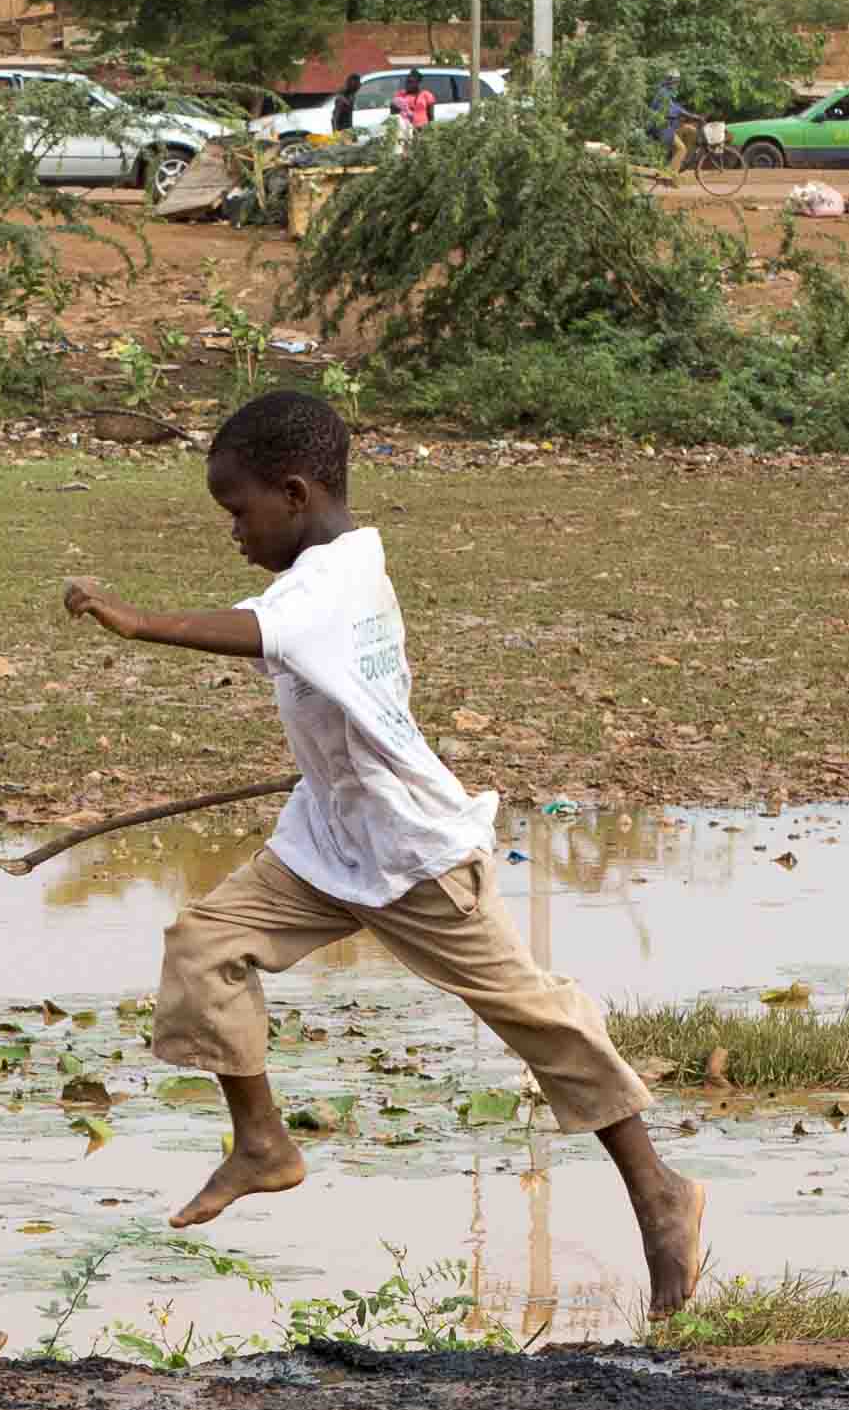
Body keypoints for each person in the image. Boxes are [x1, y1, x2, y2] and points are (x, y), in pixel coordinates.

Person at [61, 387, 706, 1318]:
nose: (232, 530)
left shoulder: (330, 583)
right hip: (327, 842)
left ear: (292, 493)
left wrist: (135, 620)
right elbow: (278, 623)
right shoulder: (328, 570)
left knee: (534, 1017)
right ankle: (262, 1144)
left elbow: (255, 629)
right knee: (204, 944)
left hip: (410, 854)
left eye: (236, 511)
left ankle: (656, 1191)